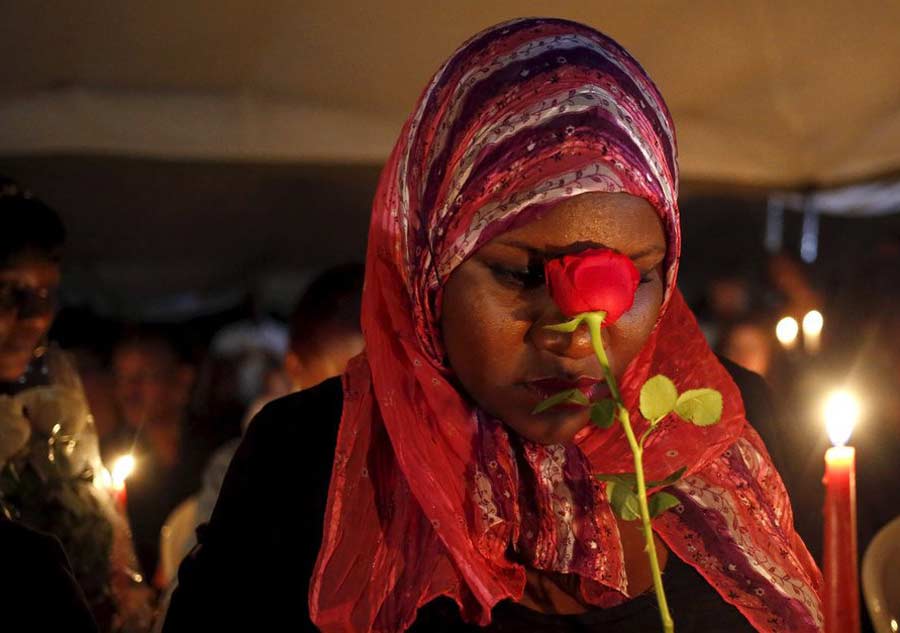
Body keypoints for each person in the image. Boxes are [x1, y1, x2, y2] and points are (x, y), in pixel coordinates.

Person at [164, 19, 822, 633]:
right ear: (430, 263)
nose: (575, 332)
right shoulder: (308, 459)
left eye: (634, 277)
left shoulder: (733, 432)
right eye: (518, 274)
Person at [0, 177, 153, 632]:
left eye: (46, 295)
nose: (33, 317)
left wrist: (119, 586)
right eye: (11, 293)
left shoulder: (55, 388)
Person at [106, 328, 214, 585]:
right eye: (122, 378)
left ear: (182, 380)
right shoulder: (105, 457)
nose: (129, 392)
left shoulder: (216, 450)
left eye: (143, 377)